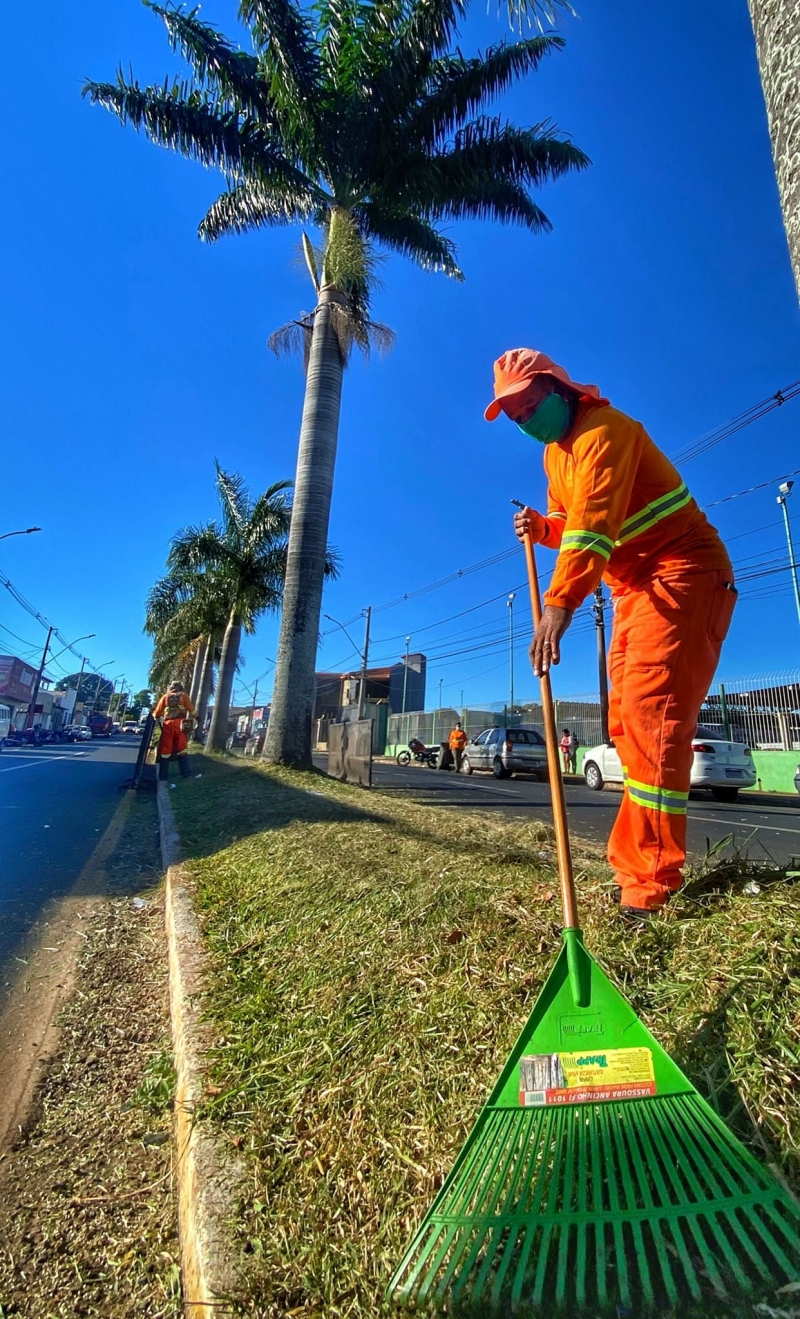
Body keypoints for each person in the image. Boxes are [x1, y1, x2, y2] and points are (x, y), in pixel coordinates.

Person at [485, 348, 736, 919]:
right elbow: (571, 525)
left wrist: (558, 607)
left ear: (558, 389)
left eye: (529, 407)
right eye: (516, 417)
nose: (527, 422)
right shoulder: (556, 456)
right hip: (633, 591)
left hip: (683, 573)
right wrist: (543, 527)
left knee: (654, 717)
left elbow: (593, 530)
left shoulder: (606, 432)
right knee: (627, 722)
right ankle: (639, 866)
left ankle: (647, 886)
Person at [152, 680, 196, 780]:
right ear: (180, 687)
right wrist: (196, 717)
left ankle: (163, 776)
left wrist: (156, 717)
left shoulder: (165, 697)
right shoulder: (183, 696)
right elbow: (191, 709)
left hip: (168, 724)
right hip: (181, 724)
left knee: (166, 749)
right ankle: (185, 773)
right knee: (182, 748)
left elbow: (157, 711)